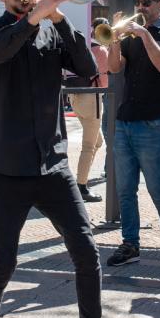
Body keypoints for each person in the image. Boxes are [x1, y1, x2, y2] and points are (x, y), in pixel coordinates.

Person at [0, 0, 102, 318]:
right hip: (7, 169)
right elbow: (0, 52)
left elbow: (86, 65)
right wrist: (34, 18)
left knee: (87, 252)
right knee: (3, 264)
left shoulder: (51, 31)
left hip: (53, 167)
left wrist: (58, 16)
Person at [107, 0, 160, 267]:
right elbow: (114, 68)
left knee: (157, 187)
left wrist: (143, 33)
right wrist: (115, 41)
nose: (141, 6)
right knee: (125, 189)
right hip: (126, 120)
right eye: (137, 2)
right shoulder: (130, 36)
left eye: (147, 2)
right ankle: (130, 244)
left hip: (155, 122)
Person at [65, 18, 110, 202]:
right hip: (92, 98)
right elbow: (105, 79)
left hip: (75, 96)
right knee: (89, 146)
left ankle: (80, 180)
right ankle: (81, 186)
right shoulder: (101, 50)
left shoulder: (81, 47)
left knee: (97, 141)